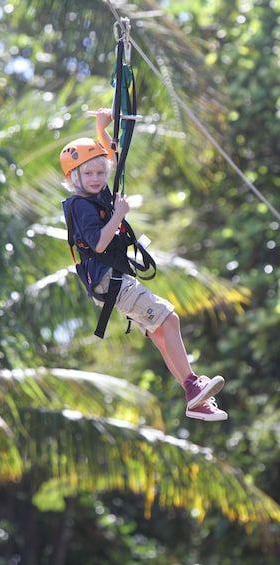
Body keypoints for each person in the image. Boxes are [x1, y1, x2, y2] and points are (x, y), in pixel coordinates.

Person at [60, 108, 228, 422]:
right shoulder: (82, 205)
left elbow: (112, 157)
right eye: (89, 174)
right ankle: (191, 386)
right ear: (73, 178)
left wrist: (100, 127)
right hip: (109, 280)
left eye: (100, 173)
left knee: (162, 331)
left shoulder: (94, 194)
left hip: (112, 280)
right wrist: (118, 216)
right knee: (169, 320)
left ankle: (195, 398)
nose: (97, 179)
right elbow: (97, 243)